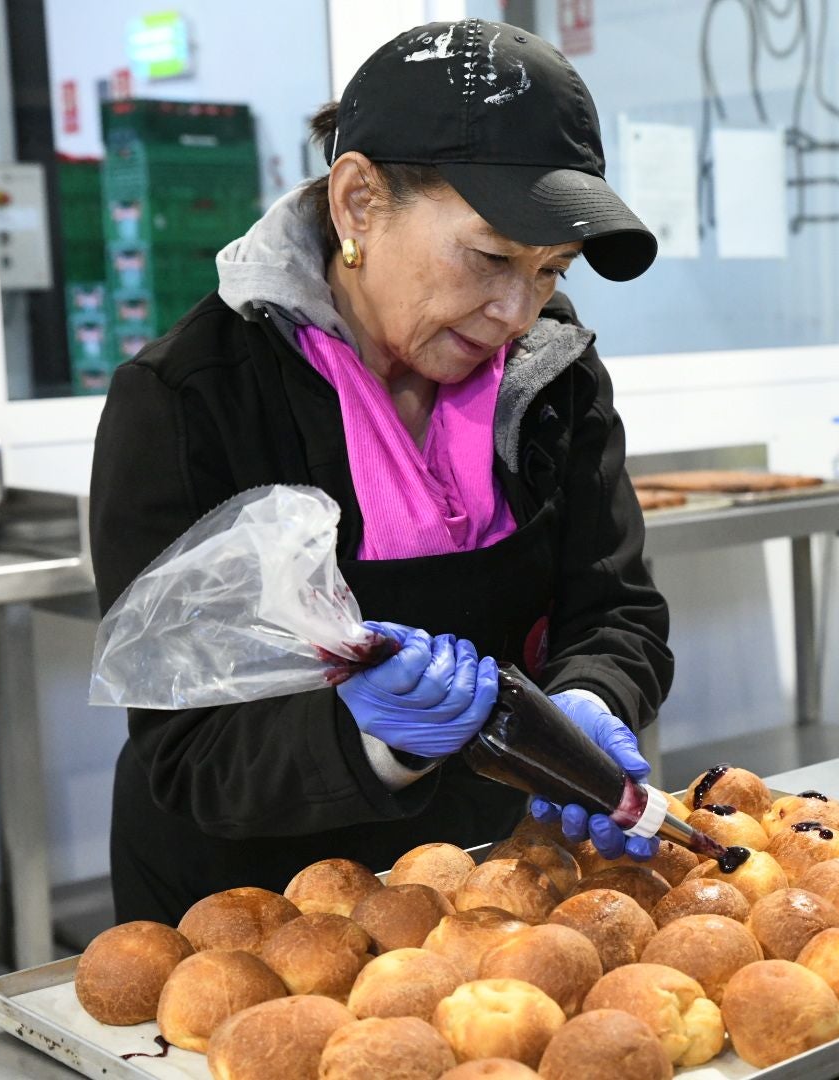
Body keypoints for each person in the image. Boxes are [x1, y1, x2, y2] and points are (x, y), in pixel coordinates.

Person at [89, 19, 673, 924]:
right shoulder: (190, 399)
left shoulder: (552, 379)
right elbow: (184, 745)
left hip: (483, 887)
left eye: (550, 270)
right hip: (252, 916)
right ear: (359, 201)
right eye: (488, 257)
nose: (518, 310)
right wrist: (368, 739)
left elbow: (616, 610)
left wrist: (589, 702)